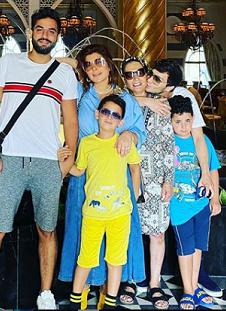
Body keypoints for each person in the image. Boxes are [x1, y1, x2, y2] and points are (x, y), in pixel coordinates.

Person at [0, 7, 79, 310]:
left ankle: (46, 293)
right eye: (40, 29)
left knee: (47, 230)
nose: (45, 35)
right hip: (10, 159)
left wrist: (68, 158)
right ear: (30, 33)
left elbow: (71, 119)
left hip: (47, 162)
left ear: (57, 36)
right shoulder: (9, 63)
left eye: (51, 31)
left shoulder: (64, 73)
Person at [58, 44, 147, 309]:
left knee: (115, 240)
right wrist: (77, 63)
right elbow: (57, 63)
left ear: (109, 64)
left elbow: (139, 132)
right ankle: (83, 292)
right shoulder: (80, 94)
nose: (95, 68)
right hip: (84, 174)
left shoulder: (125, 98)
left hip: (116, 176)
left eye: (99, 62)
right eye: (88, 64)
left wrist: (129, 135)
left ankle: (108, 295)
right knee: (84, 233)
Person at [145, 59, 222, 297]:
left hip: (192, 196)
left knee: (196, 243)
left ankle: (195, 282)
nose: (148, 80)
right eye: (150, 74)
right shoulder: (144, 92)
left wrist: (207, 179)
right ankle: (150, 279)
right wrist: (146, 100)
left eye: (156, 78)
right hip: (159, 183)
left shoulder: (183, 97)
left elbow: (198, 138)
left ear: (170, 87)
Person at [119, 56, 174, 309]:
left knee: (157, 233)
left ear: (146, 74)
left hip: (155, 179)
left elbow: (168, 144)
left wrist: (168, 180)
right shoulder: (120, 101)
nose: (135, 78)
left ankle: (154, 283)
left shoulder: (162, 104)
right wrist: (144, 101)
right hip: (125, 176)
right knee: (129, 232)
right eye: (129, 75)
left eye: (139, 72)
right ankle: (130, 280)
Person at [167, 96, 220, 310]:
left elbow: (213, 169)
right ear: (170, 121)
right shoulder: (168, 141)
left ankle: (195, 285)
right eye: (178, 122)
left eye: (188, 121)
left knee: (198, 247)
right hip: (179, 207)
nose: (183, 126)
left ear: (193, 120)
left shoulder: (202, 141)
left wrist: (215, 197)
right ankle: (188, 290)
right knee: (185, 249)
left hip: (201, 205)